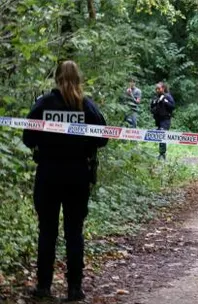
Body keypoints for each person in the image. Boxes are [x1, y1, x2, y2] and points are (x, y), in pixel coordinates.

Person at [22, 60, 108, 301]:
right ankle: (74, 288)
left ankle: (43, 287)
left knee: (47, 231)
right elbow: (103, 138)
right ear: (78, 79)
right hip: (77, 175)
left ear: (56, 78)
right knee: (74, 232)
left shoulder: (43, 104)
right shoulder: (86, 106)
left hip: (49, 173)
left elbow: (27, 138)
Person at [150, 82, 175, 160]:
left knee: (162, 134)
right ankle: (161, 153)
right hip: (158, 120)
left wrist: (164, 101)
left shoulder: (167, 96)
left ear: (163, 88)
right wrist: (155, 102)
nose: (157, 90)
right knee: (160, 137)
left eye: (159, 89)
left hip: (166, 120)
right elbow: (152, 106)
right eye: (156, 89)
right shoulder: (156, 97)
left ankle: (163, 154)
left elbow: (172, 106)